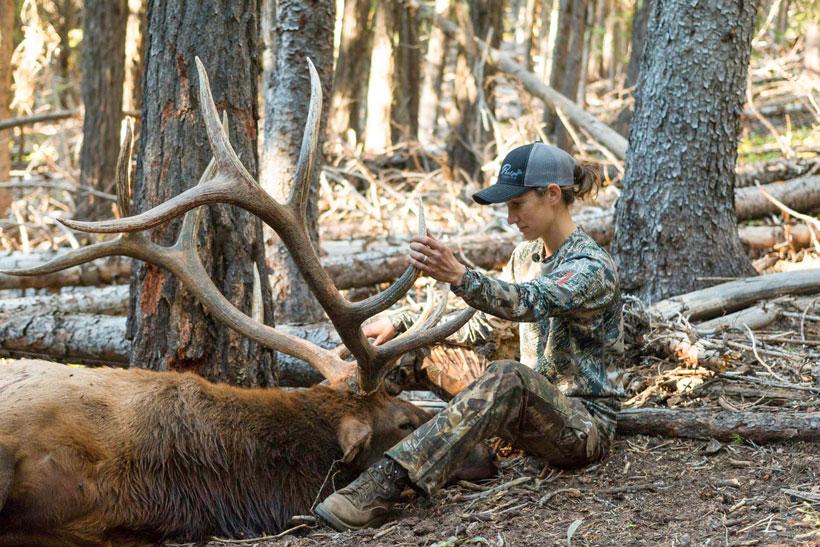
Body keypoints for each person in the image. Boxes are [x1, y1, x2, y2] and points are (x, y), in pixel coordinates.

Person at [315, 142, 625, 531]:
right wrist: (404, 324)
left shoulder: (591, 266)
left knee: (508, 376)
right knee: (413, 351)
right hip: (528, 408)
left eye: (517, 204)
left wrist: (460, 276)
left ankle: (383, 486)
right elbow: (483, 325)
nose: (510, 218)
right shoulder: (526, 256)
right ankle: (329, 444)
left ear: (552, 195)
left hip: (581, 428)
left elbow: (531, 301)